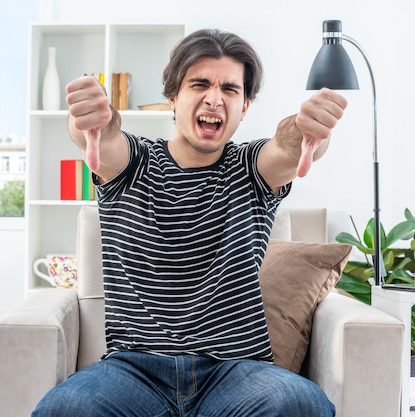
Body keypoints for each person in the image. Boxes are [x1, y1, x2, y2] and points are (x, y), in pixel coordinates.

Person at [32, 28, 347, 417]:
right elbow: (105, 141)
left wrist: (308, 131)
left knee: (301, 402)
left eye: (230, 90)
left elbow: (285, 147)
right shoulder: (135, 163)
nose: (214, 98)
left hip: (236, 373)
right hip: (133, 372)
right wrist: (91, 124)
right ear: (173, 99)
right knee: (65, 407)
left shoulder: (251, 169)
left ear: (245, 106)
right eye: (199, 84)